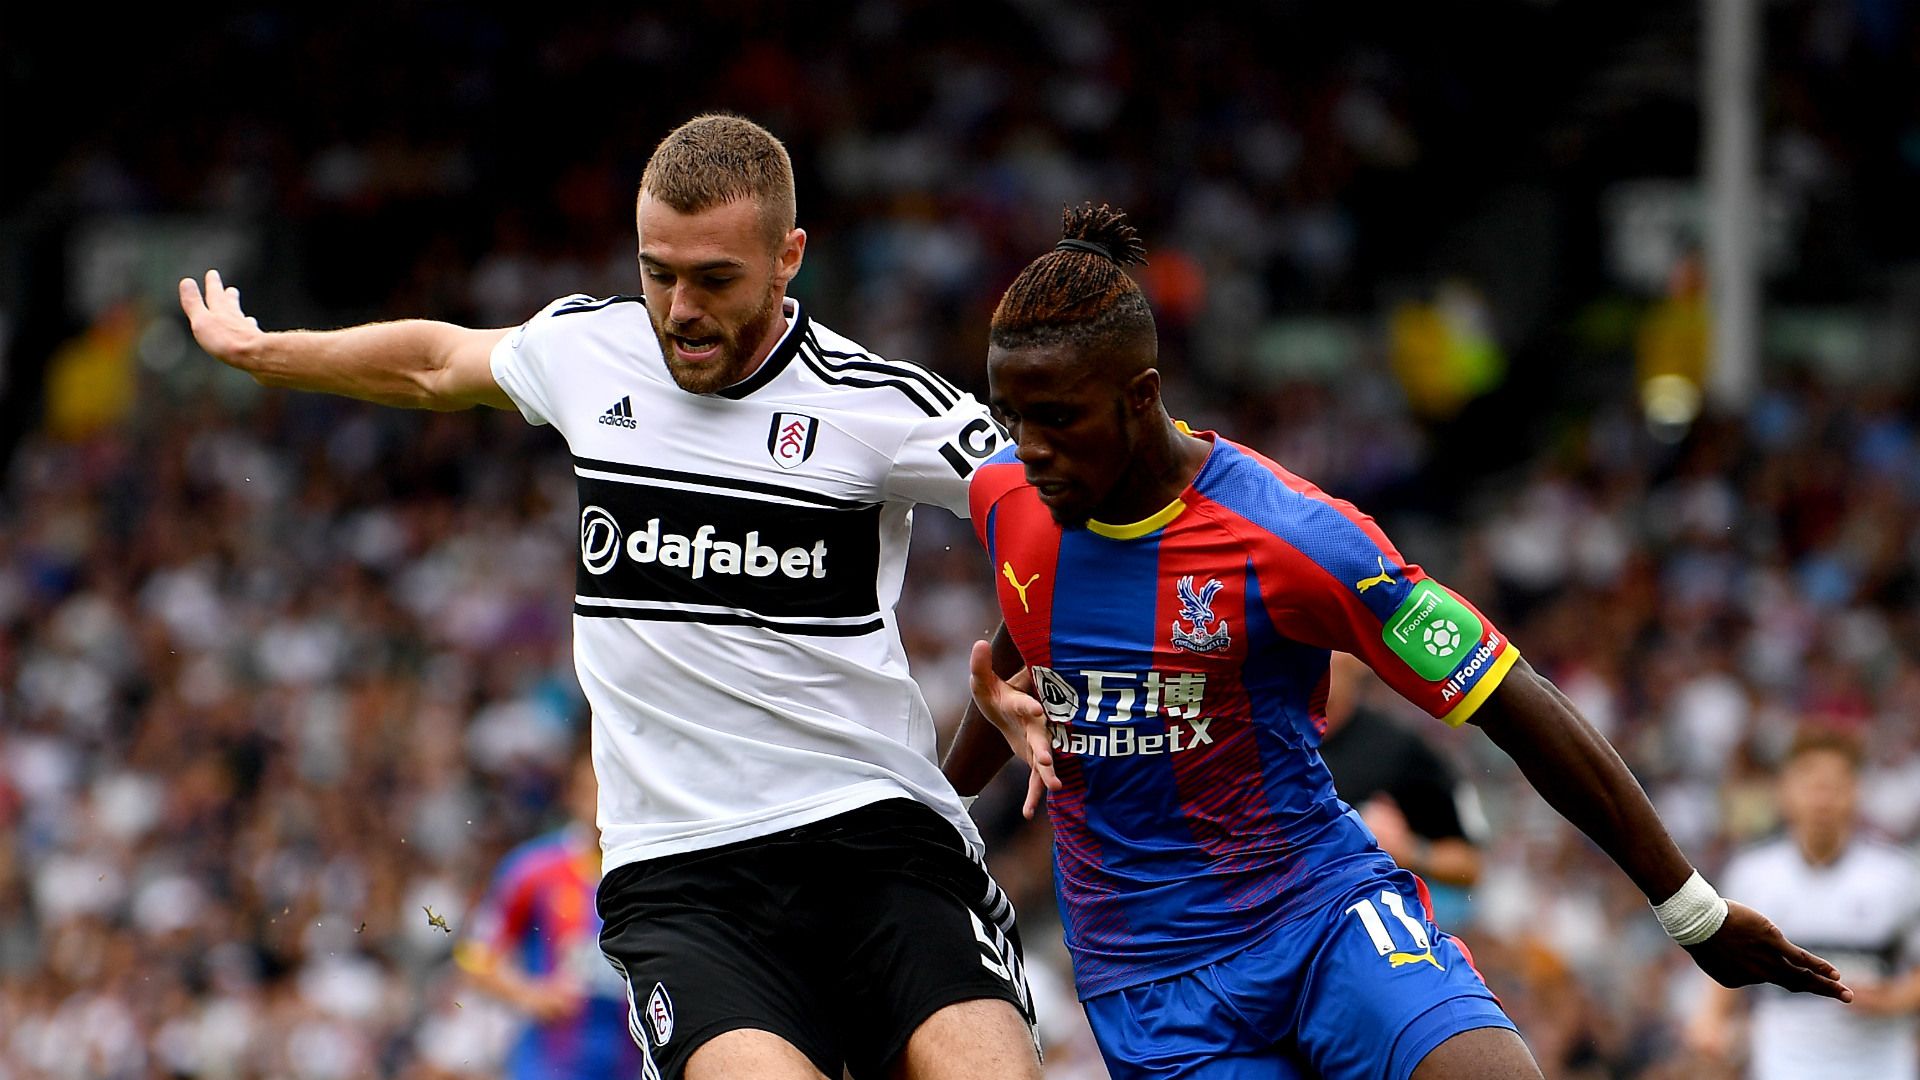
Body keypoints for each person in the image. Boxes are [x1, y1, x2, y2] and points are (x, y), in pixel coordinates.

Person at [180, 113, 1040, 1080]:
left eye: (715, 278)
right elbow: (434, 363)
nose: (679, 309)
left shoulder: (880, 406)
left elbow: (1057, 516)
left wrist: (1009, 675)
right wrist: (266, 353)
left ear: (789, 256)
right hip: (682, 876)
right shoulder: (590, 353)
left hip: (879, 839)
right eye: (657, 271)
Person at [943, 203, 1852, 1080]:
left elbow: (1511, 694)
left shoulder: (1296, 540)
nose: (1028, 449)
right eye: (1011, 417)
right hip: (1151, 978)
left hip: (1318, 911)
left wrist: (1691, 911)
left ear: (1140, 397)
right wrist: (938, 809)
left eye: (1056, 419)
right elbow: (1026, 634)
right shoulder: (1009, 501)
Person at [1685, 728, 1920, 1080]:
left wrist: (1892, 1000)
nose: (1822, 799)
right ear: (1786, 793)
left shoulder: (1898, 877)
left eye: (1835, 786)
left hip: (1879, 1065)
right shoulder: (1752, 875)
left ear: (1855, 793)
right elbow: (1722, 971)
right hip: (1784, 1066)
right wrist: (1712, 1024)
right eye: (1812, 785)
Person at [457, 755, 646, 1080]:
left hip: (632, 1066)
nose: (603, 802)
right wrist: (532, 994)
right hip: (549, 1067)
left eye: (613, 789)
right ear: (573, 796)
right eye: (593, 789)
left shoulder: (648, 879)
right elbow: (473, 959)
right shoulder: (535, 869)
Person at [1320, 652, 1484, 925]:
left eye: (1327, 642)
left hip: (1370, 929)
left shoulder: (1402, 749)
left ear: (1355, 658)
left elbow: (1471, 865)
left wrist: (1410, 851)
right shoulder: (1262, 739)